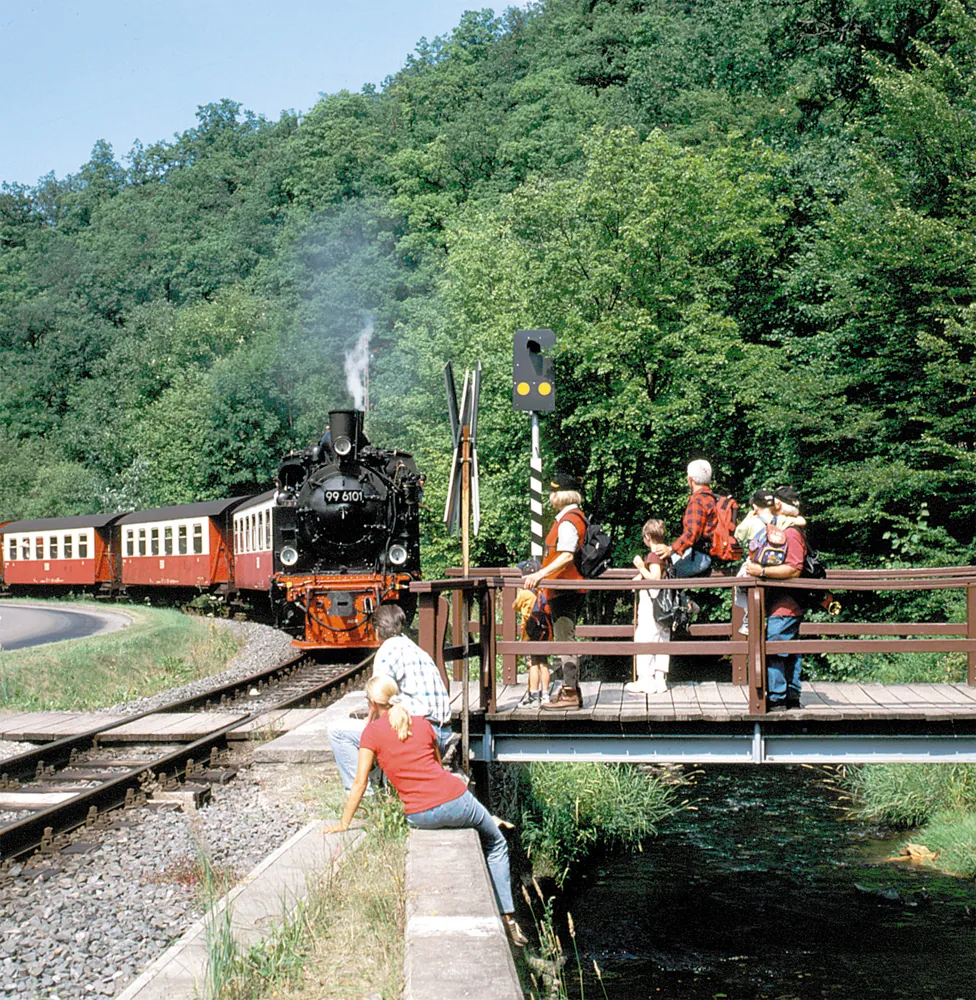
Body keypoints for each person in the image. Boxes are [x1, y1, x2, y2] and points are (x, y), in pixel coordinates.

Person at [325, 675, 527, 946]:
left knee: (482, 827)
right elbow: (438, 767)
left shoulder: (370, 734)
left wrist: (344, 823)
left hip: (419, 815)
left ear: (372, 702)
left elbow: (360, 783)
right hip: (456, 801)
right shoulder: (421, 724)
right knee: (496, 842)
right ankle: (508, 917)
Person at [329, 604, 453, 790]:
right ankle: (381, 783)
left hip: (421, 738)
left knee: (338, 732)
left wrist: (368, 725)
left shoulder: (387, 650)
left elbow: (377, 697)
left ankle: (363, 793)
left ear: (377, 631)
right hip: (442, 735)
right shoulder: (415, 648)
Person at [523, 473, 587, 710]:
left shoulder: (569, 521)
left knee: (564, 640)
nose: (550, 497)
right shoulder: (571, 518)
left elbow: (566, 556)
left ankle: (570, 693)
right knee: (564, 638)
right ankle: (572, 689)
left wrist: (540, 574)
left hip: (564, 588)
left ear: (562, 495)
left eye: (553, 492)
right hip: (563, 588)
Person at [742, 486, 808, 712]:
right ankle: (791, 697)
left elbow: (794, 568)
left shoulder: (790, 532)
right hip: (786, 602)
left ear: (778, 505)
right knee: (788, 649)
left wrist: (760, 571)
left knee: (775, 648)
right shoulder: (786, 526)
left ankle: (779, 699)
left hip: (786, 603)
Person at [653, 459, 719, 579]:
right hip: (711, 555)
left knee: (663, 574)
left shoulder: (697, 501)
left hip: (699, 557)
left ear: (690, 480)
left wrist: (671, 549)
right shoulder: (714, 499)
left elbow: (691, 533)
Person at [627, 518, 671, 695]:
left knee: (644, 637)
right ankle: (660, 679)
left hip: (651, 603)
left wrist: (640, 567)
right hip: (663, 604)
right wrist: (641, 575)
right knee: (662, 638)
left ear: (647, 537)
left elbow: (655, 578)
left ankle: (646, 680)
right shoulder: (665, 555)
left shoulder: (653, 555)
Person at [513, 558, 551, 705]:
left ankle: (533, 695)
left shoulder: (524, 594)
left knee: (533, 663)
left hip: (530, 632)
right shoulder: (542, 591)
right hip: (544, 631)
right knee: (544, 663)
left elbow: (515, 606)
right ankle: (545, 694)